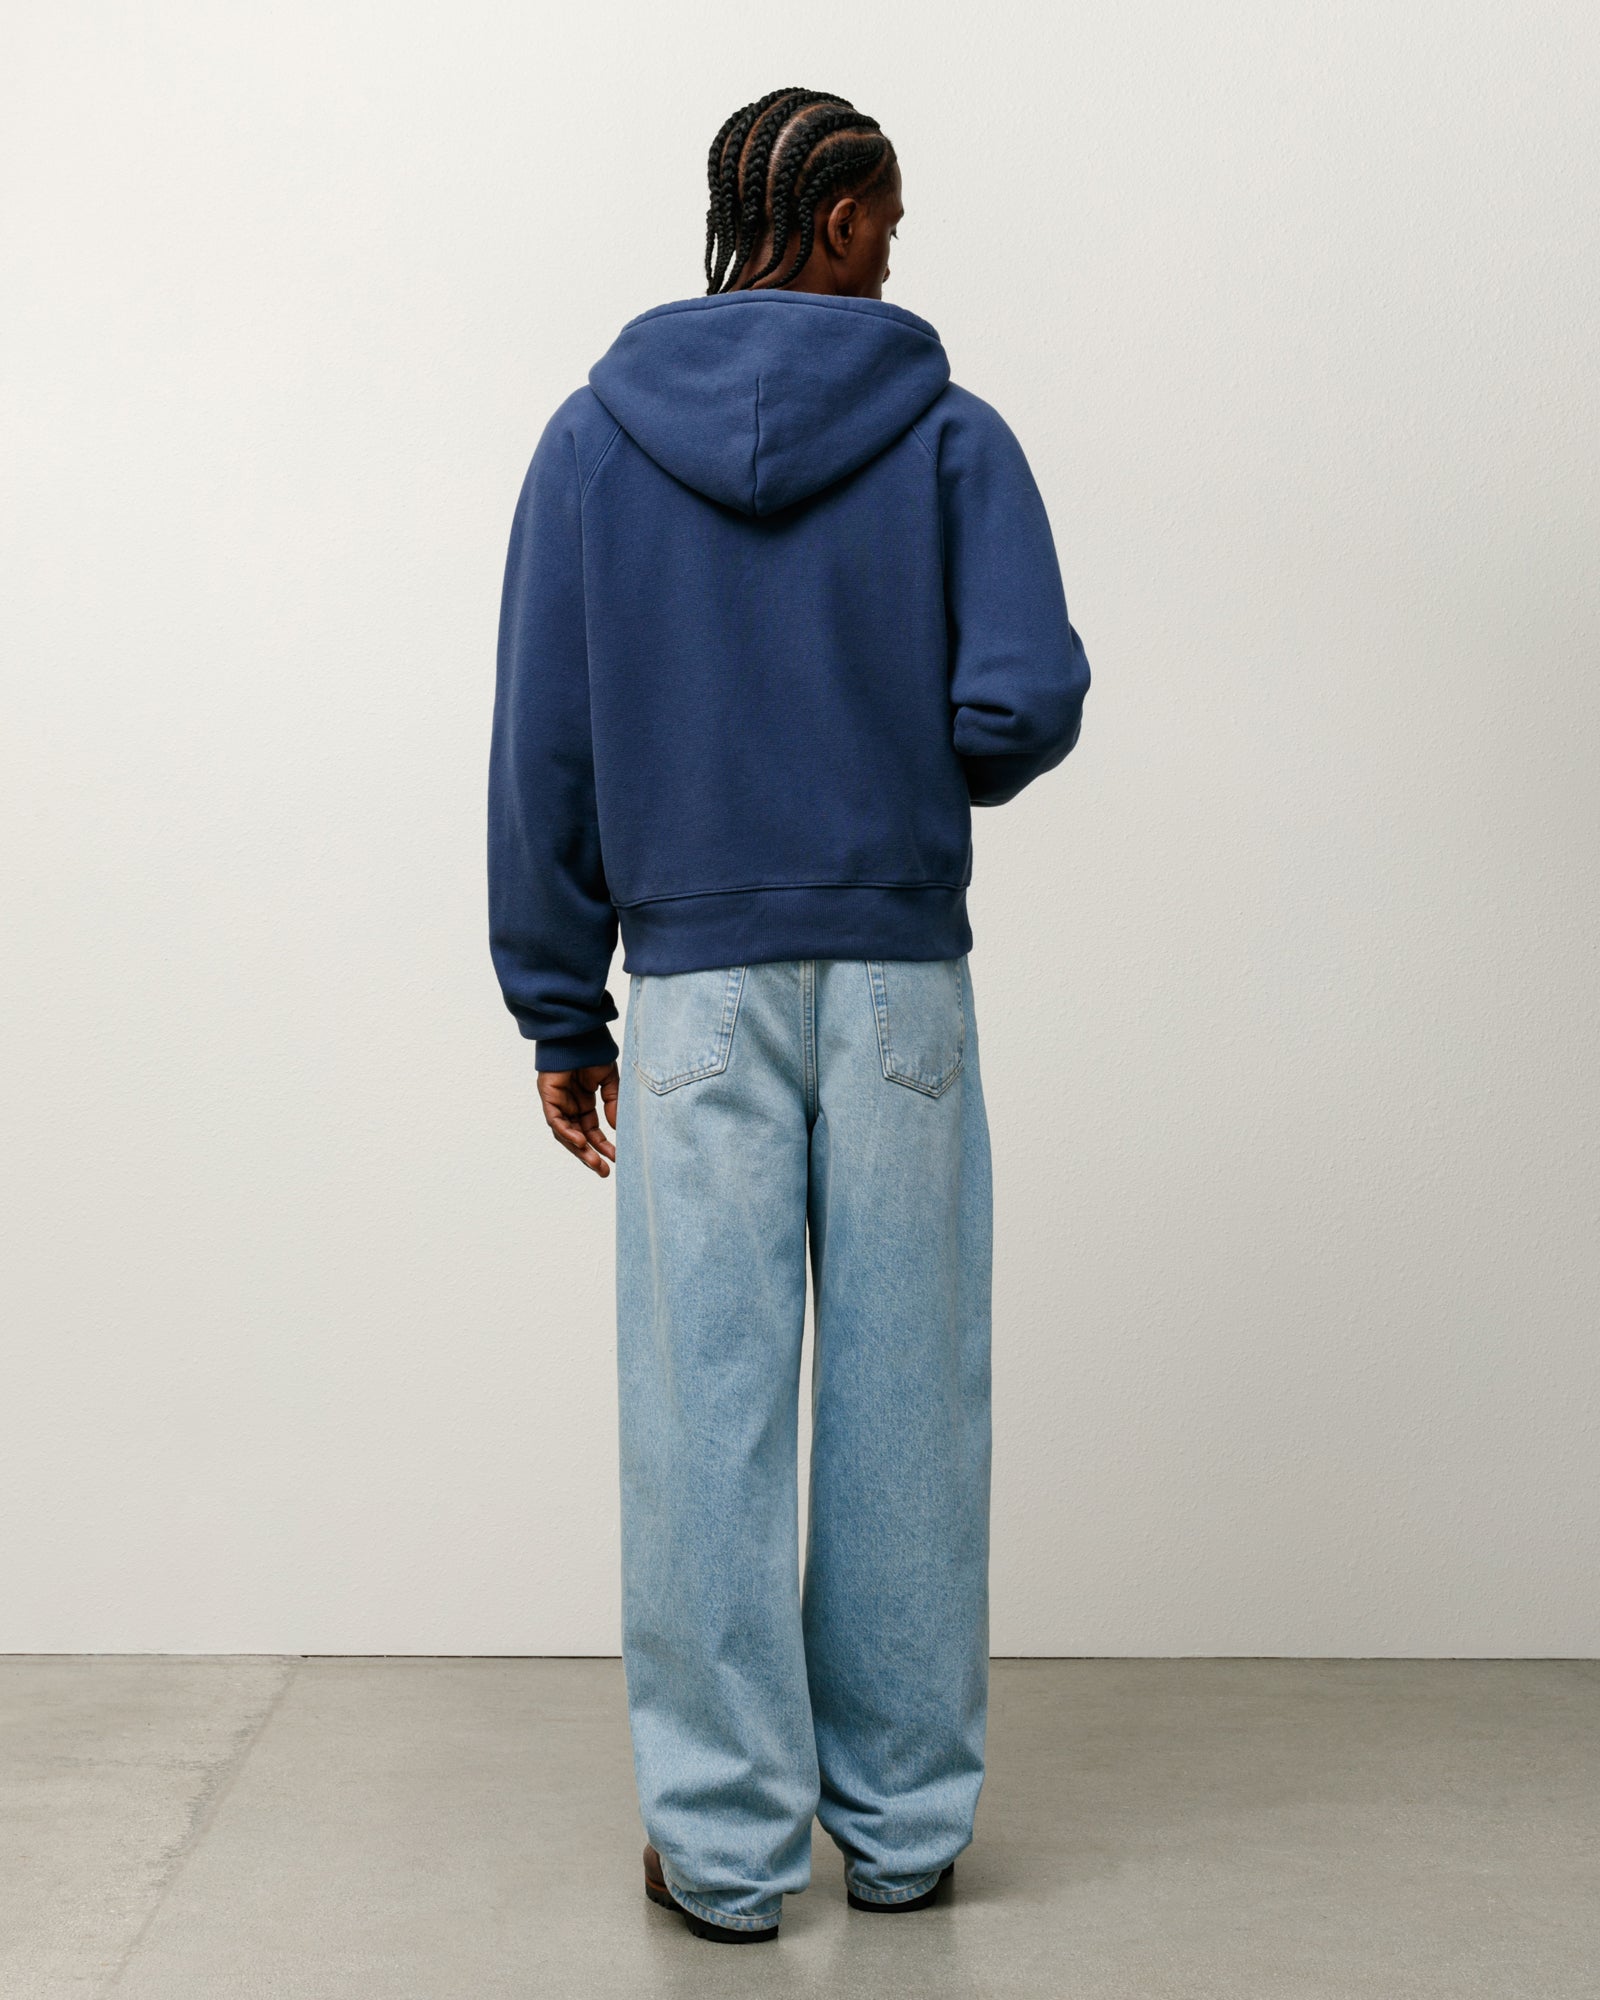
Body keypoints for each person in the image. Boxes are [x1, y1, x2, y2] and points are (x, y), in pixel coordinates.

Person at [488, 86, 1091, 1944]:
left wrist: (559, 1008)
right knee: (911, 1408)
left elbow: (545, 745)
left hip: (691, 996)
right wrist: (897, 760)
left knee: (706, 1423)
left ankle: (730, 1856)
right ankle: (903, 1837)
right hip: (898, 977)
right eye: (887, 215)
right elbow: (1022, 702)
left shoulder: (592, 446)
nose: (899, 245)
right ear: (834, 221)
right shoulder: (952, 435)